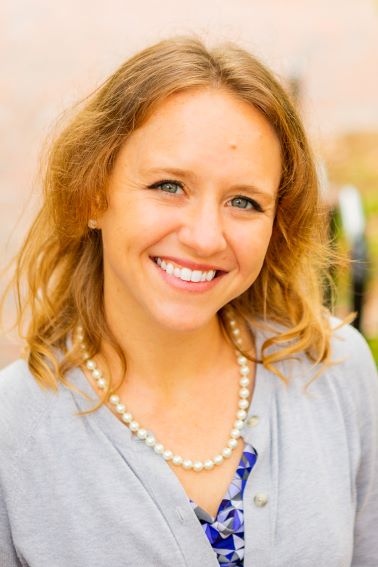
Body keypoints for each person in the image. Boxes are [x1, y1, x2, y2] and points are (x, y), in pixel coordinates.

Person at [0, 35, 377, 567]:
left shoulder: (336, 371)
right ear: (92, 194)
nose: (205, 237)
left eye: (243, 201)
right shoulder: (13, 435)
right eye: (168, 185)